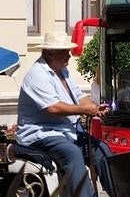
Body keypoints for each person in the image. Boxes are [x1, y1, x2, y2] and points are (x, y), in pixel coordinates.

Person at [15, 31, 115, 197]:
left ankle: (120, 192)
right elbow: (53, 108)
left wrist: (94, 108)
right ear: (49, 53)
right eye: (64, 52)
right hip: (41, 135)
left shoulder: (62, 71)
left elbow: (79, 96)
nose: (69, 56)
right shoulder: (37, 75)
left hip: (66, 131)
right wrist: (84, 110)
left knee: (101, 148)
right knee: (72, 153)